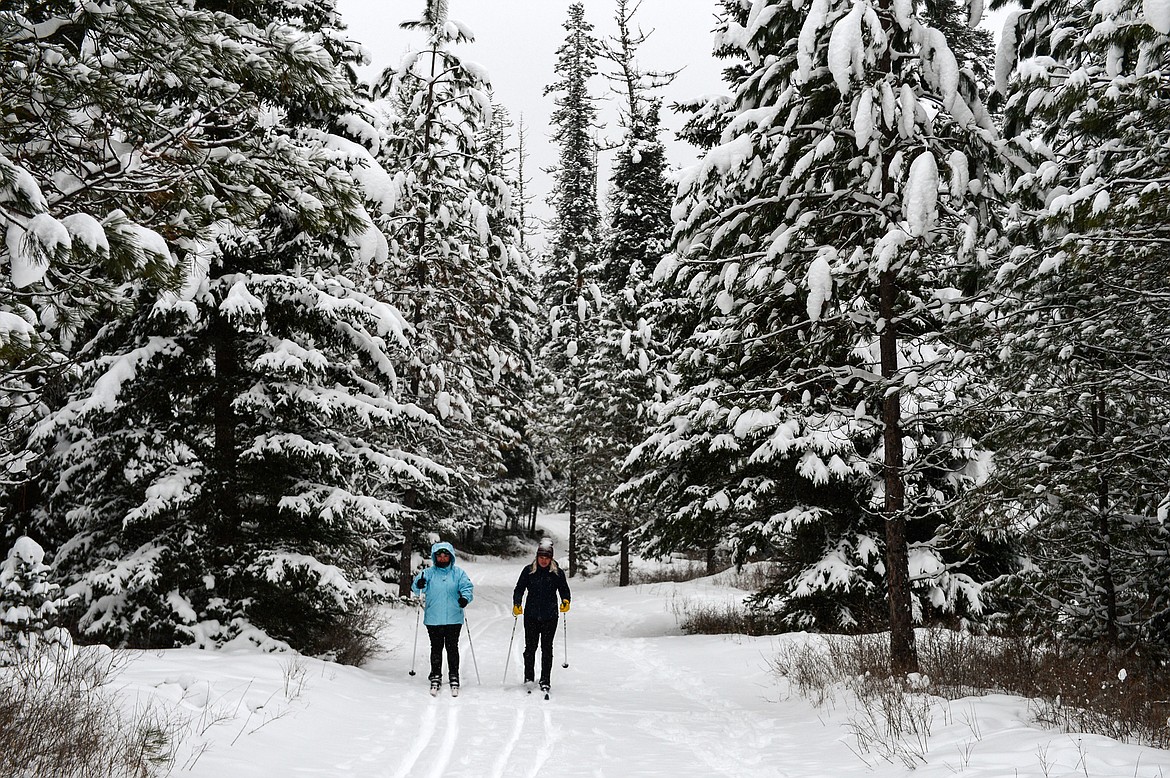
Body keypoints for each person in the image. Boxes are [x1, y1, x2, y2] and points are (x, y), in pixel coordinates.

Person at [411, 541, 474, 696]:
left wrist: (464, 598)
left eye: (446, 555)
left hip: (454, 617)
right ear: (435, 557)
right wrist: (419, 584)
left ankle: (454, 675)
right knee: (436, 647)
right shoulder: (428, 573)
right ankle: (436, 674)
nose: (443, 558)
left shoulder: (458, 573)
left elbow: (467, 587)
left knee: (452, 647)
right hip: (434, 618)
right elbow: (416, 587)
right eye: (440, 555)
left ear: (450, 556)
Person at [512, 537, 571, 693]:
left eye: (547, 558)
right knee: (530, 648)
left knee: (547, 648)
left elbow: (564, 590)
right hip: (531, 615)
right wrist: (517, 603)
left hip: (550, 616)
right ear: (537, 557)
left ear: (551, 558)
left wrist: (566, 601)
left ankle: (545, 679)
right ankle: (529, 678)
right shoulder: (529, 570)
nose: (543, 561)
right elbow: (519, 589)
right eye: (541, 557)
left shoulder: (557, 572)